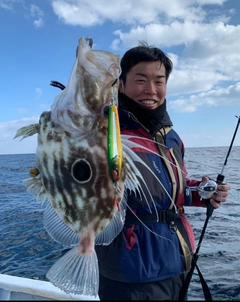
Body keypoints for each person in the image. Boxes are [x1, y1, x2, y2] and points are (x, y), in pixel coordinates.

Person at [95, 42, 231, 301]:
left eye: (159, 81)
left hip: (176, 259)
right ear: (120, 85)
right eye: (140, 80)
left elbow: (169, 188)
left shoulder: (171, 138)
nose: (151, 90)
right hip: (132, 268)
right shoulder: (106, 134)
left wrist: (202, 193)